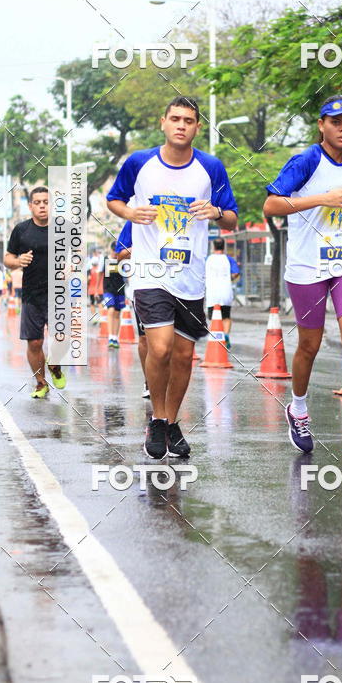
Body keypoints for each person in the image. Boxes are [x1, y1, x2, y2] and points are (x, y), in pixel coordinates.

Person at [106, 95, 238, 459]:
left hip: (191, 277)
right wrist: (132, 214)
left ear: (197, 127)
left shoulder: (211, 167)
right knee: (160, 347)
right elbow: (113, 199)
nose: (181, 125)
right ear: (163, 122)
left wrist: (214, 212)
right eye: (175, 118)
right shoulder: (140, 162)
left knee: (182, 356)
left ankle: (170, 421)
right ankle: (157, 421)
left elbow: (232, 218)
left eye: (189, 120)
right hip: (150, 273)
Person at [263, 95, 342, 457]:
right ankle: (298, 408)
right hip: (306, 266)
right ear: (321, 125)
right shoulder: (306, 161)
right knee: (309, 346)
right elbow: (270, 206)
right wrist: (320, 198)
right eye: (335, 122)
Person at [4, 186, 66, 399]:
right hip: (32, 294)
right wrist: (18, 261)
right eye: (37, 202)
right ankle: (40, 383)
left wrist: (70, 266)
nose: (42, 206)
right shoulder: (21, 230)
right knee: (35, 342)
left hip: (58, 293)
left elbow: (77, 253)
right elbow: (8, 259)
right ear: (30, 206)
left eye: (46, 202)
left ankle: (55, 365)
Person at [113, 221, 150, 398]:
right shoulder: (133, 222)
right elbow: (119, 255)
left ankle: (165, 379)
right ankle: (149, 381)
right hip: (143, 288)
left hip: (174, 287)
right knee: (145, 339)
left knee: (171, 340)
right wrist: (138, 248)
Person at [205, 238, 240, 349]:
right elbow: (235, 273)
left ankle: (216, 339)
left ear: (213, 247)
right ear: (223, 247)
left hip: (212, 292)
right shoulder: (229, 259)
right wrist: (228, 278)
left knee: (213, 318)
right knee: (226, 317)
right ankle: (225, 335)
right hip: (226, 291)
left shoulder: (207, 259)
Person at [103, 241, 126, 349]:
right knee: (110, 310)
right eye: (113, 251)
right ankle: (110, 337)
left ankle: (115, 338)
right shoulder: (104, 259)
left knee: (117, 313)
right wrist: (98, 289)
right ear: (111, 250)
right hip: (107, 290)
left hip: (120, 291)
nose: (114, 254)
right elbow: (99, 274)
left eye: (116, 252)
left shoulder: (123, 261)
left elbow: (127, 275)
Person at [87, 251, 104, 322]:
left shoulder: (90, 271)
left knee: (92, 303)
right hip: (100, 289)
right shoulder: (100, 270)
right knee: (100, 303)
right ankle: (102, 318)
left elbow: (88, 279)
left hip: (91, 290)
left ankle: (94, 318)